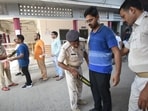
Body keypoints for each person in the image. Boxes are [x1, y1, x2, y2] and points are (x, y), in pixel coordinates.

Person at [84, 6, 122, 111]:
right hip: (92, 69)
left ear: (97, 17)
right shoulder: (91, 32)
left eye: (91, 20)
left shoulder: (107, 32)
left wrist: (117, 73)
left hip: (103, 70)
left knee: (104, 92)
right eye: (87, 21)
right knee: (94, 90)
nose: (89, 23)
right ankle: (97, 108)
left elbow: (116, 52)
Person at [119, 0, 148, 111]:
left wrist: (146, 89)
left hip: (146, 81)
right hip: (137, 79)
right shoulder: (136, 28)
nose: (123, 20)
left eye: (123, 16)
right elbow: (126, 49)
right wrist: (112, 53)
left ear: (132, 10)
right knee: (132, 108)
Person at [58, 30, 88, 111]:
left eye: (77, 42)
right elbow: (59, 63)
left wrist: (89, 65)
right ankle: (74, 107)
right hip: (69, 68)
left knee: (80, 85)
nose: (76, 44)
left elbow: (85, 53)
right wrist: (71, 70)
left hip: (79, 67)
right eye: (73, 43)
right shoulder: (65, 48)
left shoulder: (82, 41)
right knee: (73, 89)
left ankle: (79, 100)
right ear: (69, 42)